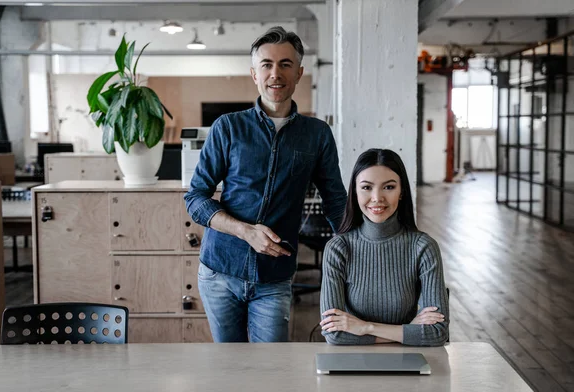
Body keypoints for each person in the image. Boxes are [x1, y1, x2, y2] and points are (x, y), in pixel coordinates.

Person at [184, 26, 347, 343]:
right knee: (229, 368)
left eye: (285, 64)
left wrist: (364, 248)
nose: (276, 73)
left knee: (271, 372)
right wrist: (245, 231)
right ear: (254, 74)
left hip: (274, 277)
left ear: (299, 73)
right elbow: (196, 198)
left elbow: (336, 202)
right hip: (220, 271)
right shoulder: (228, 128)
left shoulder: (317, 134)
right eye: (267, 65)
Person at [319, 148, 449, 346]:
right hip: (350, 364)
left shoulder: (423, 247)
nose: (377, 197)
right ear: (354, 191)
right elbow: (334, 335)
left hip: (408, 364)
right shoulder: (338, 248)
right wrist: (407, 332)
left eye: (388, 187)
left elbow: (437, 332)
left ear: (402, 191)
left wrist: (365, 328)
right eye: (366, 187)